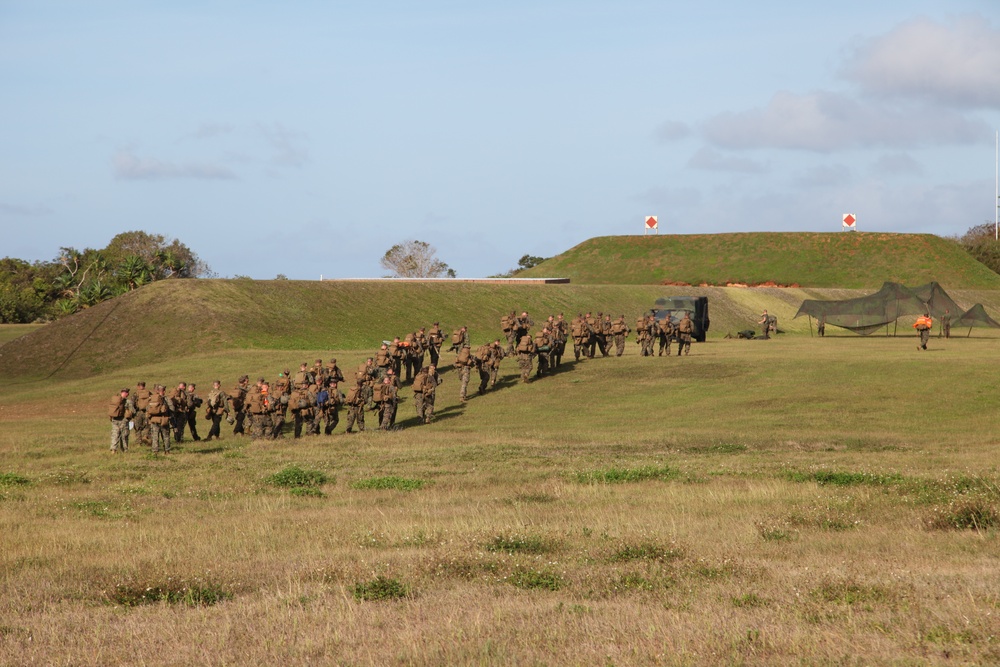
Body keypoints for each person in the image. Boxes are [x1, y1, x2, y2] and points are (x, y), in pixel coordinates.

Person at [147, 384, 172, 454]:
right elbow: (172, 408)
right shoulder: (166, 399)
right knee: (166, 436)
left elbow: (147, 409)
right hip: (164, 420)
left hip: (154, 420)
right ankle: (167, 451)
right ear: (163, 391)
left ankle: (155, 451)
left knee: (155, 437)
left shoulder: (151, 398)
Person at [108, 387, 132, 453]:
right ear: (127, 393)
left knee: (115, 434)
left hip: (114, 419)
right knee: (124, 435)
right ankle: (124, 450)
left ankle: (113, 449)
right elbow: (133, 411)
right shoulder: (127, 401)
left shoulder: (115, 400)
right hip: (123, 420)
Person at [132, 381, 152, 447]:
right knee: (147, 427)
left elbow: (132, 404)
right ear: (144, 386)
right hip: (147, 412)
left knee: (138, 428)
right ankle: (146, 438)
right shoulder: (149, 393)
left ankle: (139, 443)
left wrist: (133, 413)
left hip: (138, 412)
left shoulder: (136, 393)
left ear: (138, 386)